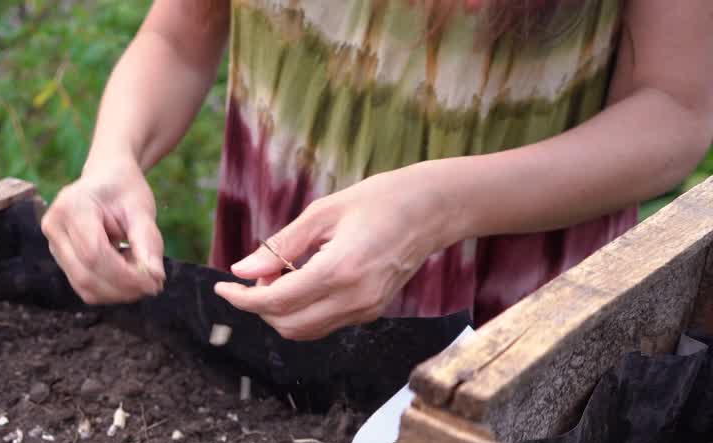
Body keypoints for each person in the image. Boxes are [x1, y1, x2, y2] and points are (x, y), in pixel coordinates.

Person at [40, 1, 713, 339]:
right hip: (279, 276)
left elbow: (678, 110)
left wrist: (438, 207)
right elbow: (179, 39)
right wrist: (113, 157)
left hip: (506, 312)